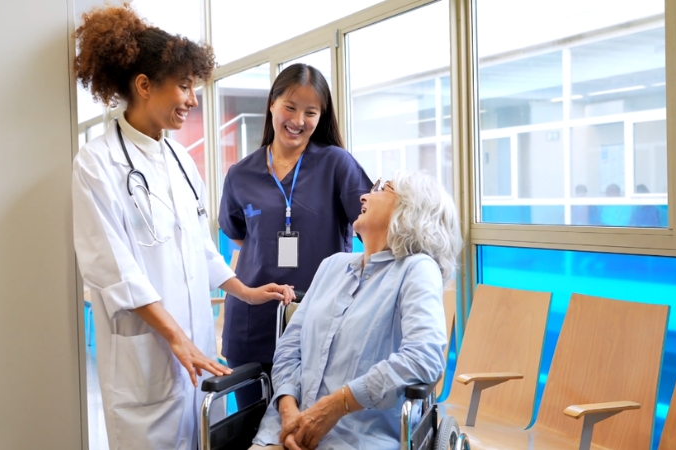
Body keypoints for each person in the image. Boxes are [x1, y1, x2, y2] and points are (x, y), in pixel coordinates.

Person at [71, 6, 294, 449]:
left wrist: (245, 292)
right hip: (148, 363)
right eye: (185, 86)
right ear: (144, 85)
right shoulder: (96, 164)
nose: (193, 100)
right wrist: (176, 338)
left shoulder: (180, 160)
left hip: (191, 358)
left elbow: (200, 249)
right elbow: (114, 271)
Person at [249, 171, 462, 450]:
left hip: (358, 439)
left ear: (410, 209)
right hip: (284, 430)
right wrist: (289, 411)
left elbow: (425, 357)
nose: (364, 196)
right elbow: (289, 347)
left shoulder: (417, 269)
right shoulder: (332, 266)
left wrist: (337, 405)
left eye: (381, 189)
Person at [218, 64, 374, 407]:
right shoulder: (240, 174)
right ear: (272, 104)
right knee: (254, 434)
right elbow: (241, 240)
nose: (298, 120)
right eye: (290, 107)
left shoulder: (337, 165)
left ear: (321, 117)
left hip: (320, 323)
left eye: (310, 112)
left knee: (310, 433)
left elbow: (375, 227)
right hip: (252, 327)